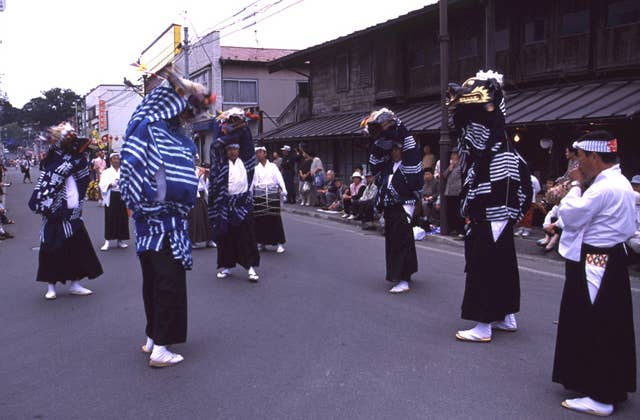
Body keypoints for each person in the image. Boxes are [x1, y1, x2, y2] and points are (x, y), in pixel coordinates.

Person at [121, 70, 212, 368]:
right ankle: (161, 347)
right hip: (161, 223)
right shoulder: (149, 129)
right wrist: (148, 206)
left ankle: (151, 337)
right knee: (168, 284)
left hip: (156, 225)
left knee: (153, 283)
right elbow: (131, 174)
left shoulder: (163, 133)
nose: (185, 118)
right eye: (183, 111)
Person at [552, 131, 636, 417]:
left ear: (595, 157)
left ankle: (602, 394)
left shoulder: (603, 187)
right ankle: (605, 385)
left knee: (597, 322)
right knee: (605, 321)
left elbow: (572, 216)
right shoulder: (619, 182)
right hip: (608, 257)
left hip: (596, 258)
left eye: (581, 158)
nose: (578, 164)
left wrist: (575, 187)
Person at [447, 70, 532, 342]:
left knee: (483, 265)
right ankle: (506, 316)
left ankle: (483, 325)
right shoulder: (498, 143)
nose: (468, 127)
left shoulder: (496, 145)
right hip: (498, 213)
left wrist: (474, 208)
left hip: (492, 210)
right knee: (503, 263)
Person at [28, 122, 103, 300]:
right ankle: (51, 286)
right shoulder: (53, 157)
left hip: (73, 210)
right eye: (69, 138)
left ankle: (75, 283)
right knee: (50, 250)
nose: (73, 142)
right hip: (54, 211)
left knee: (77, 249)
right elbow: (47, 179)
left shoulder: (79, 159)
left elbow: (84, 178)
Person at [364, 108, 423, 293]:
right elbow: (376, 166)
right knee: (394, 242)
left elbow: (414, 183)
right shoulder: (388, 166)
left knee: (401, 242)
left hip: (404, 206)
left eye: (398, 148)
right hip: (390, 208)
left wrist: (397, 124)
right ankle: (405, 273)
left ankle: (403, 279)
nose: (395, 152)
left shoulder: (409, 164)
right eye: (393, 149)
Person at [209, 108, 260, 282]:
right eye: (229, 149)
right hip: (226, 205)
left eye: (235, 149)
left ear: (239, 150)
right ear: (225, 151)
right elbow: (214, 146)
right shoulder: (221, 166)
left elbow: (247, 141)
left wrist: (240, 123)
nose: (232, 152)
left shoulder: (246, 163)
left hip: (243, 204)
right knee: (225, 239)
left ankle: (251, 268)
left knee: (247, 238)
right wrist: (221, 123)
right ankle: (226, 267)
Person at [252, 146, 288, 253]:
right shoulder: (256, 168)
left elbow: (279, 178)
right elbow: (253, 183)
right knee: (260, 219)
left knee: (274, 218)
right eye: (257, 153)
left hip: (272, 193)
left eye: (260, 152)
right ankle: (261, 242)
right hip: (260, 194)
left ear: (265, 153)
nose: (258, 154)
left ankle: (280, 244)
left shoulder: (273, 166)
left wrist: (284, 189)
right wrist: (250, 194)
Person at [98, 152, 129, 251]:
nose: (116, 160)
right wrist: (111, 184)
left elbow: (129, 182)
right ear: (111, 161)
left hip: (122, 196)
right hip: (111, 195)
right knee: (110, 218)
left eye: (118, 158)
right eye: (114, 158)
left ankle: (120, 240)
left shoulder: (124, 171)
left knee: (122, 218)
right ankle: (107, 241)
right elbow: (101, 184)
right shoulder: (106, 172)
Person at [188, 157, 214, 248]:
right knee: (194, 220)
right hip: (194, 196)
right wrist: (199, 176)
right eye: (194, 160)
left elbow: (205, 184)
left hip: (202, 196)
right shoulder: (188, 170)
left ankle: (209, 240)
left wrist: (206, 176)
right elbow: (191, 183)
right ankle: (192, 241)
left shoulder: (200, 170)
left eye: (197, 160)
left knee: (207, 218)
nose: (196, 162)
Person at [441, 151, 464, 236]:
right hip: (449, 192)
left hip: (457, 192)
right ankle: (452, 229)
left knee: (457, 211)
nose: (453, 160)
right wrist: (449, 169)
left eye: (455, 158)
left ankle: (459, 230)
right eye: (452, 158)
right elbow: (444, 175)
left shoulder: (461, 167)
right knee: (450, 212)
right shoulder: (451, 167)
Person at [514, 173, 541, 237]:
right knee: (520, 214)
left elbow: (538, 189)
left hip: (530, 200)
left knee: (528, 215)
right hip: (520, 199)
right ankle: (520, 229)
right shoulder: (519, 177)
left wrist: (533, 193)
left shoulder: (533, 179)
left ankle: (527, 230)